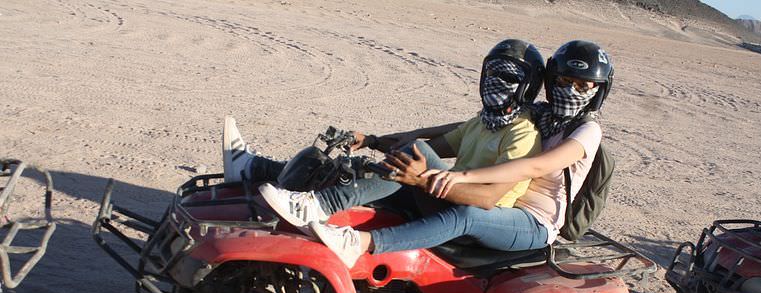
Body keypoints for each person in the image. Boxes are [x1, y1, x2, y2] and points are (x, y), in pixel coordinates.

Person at [295, 40, 614, 268]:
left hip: (532, 222)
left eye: (584, 86)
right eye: (564, 81)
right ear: (550, 80)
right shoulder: (544, 115)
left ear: (598, 90)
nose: (571, 90)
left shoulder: (587, 131)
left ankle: (359, 244)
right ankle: (317, 204)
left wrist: (458, 176)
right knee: (406, 168)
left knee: (467, 216)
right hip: (501, 202)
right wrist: (392, 139)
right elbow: (474, 125)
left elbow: (533, 166)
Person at [222, 39, 545, 245]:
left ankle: (319, 206)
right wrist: (372, 140)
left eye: (509, 78)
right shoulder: (481, 122)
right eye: (491, 74)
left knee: (411, 155)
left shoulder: (523, 135)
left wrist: (422, 178)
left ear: (526, 86)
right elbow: (440, 148)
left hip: (472, 213)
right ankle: (255, 168)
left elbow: (489, 199)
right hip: (446, 195)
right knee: (362, 167)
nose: (495, 84)